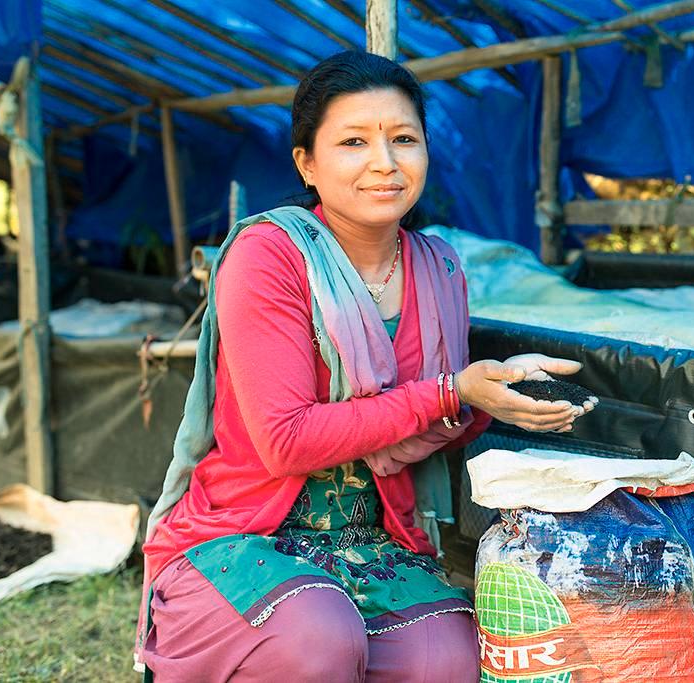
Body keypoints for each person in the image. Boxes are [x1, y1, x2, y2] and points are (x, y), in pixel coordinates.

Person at [135, 50, 595, 682]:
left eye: (404, 139)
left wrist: (492, 397)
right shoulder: (269, 255)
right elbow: (287, 442)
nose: (385, 162)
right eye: (354, 141)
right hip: (244, 530)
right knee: (316, 637)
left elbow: (430, 425)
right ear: (308, 163)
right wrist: (450, 390)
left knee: (450, 660)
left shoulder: (440, 268)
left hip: (368, 540)